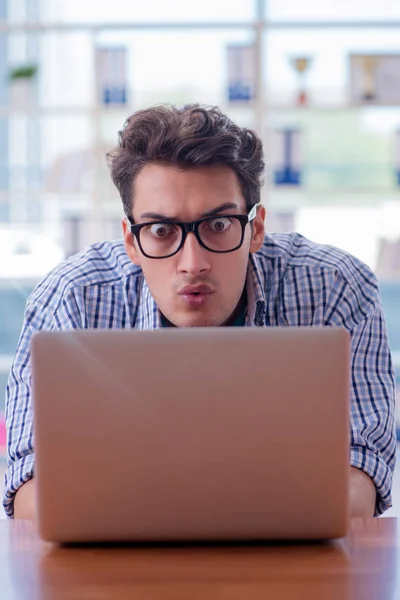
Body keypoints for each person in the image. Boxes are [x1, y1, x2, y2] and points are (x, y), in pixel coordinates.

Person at [4, 104, 396, 521]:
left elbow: (363, 467)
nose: (193, 263)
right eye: (160, 231)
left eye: (219, 225)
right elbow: (29, 484)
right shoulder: (71, 298)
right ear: (131, 241)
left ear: (256, 228)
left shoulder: (335, 287)